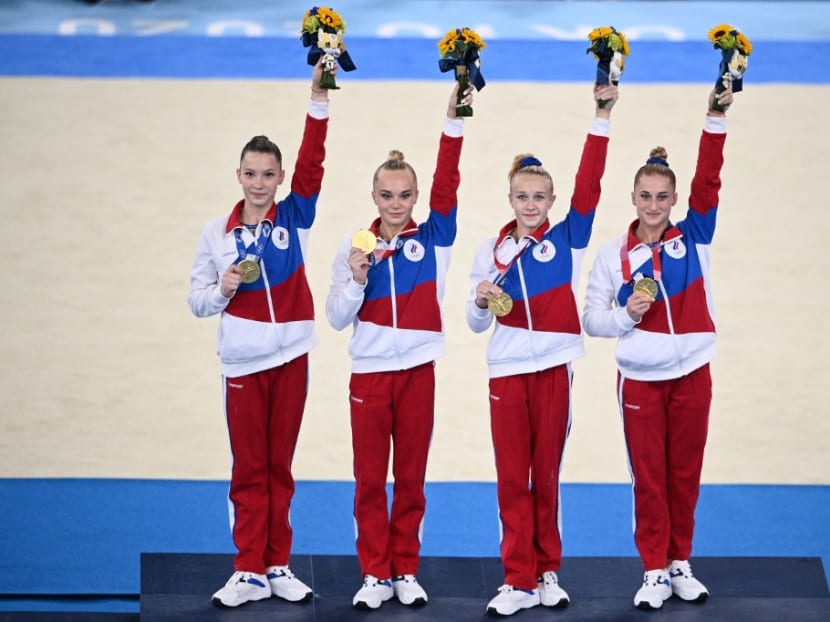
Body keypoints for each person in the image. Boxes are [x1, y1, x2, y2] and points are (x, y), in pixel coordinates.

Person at [466, 83, 619, 617]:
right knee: (512, 477)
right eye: (522, 197)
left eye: (539, 198)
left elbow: (590, 185)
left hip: (555, 369)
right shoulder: (491, 249)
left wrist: (601, 116)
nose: (530, 206)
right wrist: (482, 300)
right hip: (506, 372)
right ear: (510, 200)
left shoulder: (569, 238)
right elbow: (471, 322)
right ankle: (517, 579)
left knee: (545, 475)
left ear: (551, 202)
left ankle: (548, 570)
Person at [187, 60, 334, 609]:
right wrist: (223, 289)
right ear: (239, 176)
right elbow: (197, 301)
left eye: (268, 175)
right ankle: (247, 569)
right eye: (250, 174)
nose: (259, 183)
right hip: (243, 363)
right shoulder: (216, 234)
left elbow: (314, 165)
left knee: (281, 466)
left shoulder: (294, 217)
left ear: (278, 179)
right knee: (249, 468)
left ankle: (277, 563)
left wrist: (318, 99)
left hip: (292, 354)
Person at [581, 85, 735, 610]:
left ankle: (679, 563)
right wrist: (626, 315)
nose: (653, 206)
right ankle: (652, 570)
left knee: (684, 475)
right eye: (644, 197)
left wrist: (715, 115)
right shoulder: (612, 255)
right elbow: (591, 320)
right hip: (641, 380)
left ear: (674, 200)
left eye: (662, 197)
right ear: (633, 199)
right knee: (648, 478)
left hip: (693, 371)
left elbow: (709, 178)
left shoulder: (695, 236)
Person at [325, 83, 472, 611]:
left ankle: (404, 568)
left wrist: (454, 119)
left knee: (410, 477)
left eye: (404, 195)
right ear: (374, 197)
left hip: (417, 373)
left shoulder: (433, 240)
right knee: (369, 479)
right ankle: (374, 572)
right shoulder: (354, 246)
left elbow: (449, 184)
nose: (395, 204)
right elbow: (337, 317)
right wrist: (359, 280)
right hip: (368, 375)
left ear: (416, 197)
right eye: (386, 196)